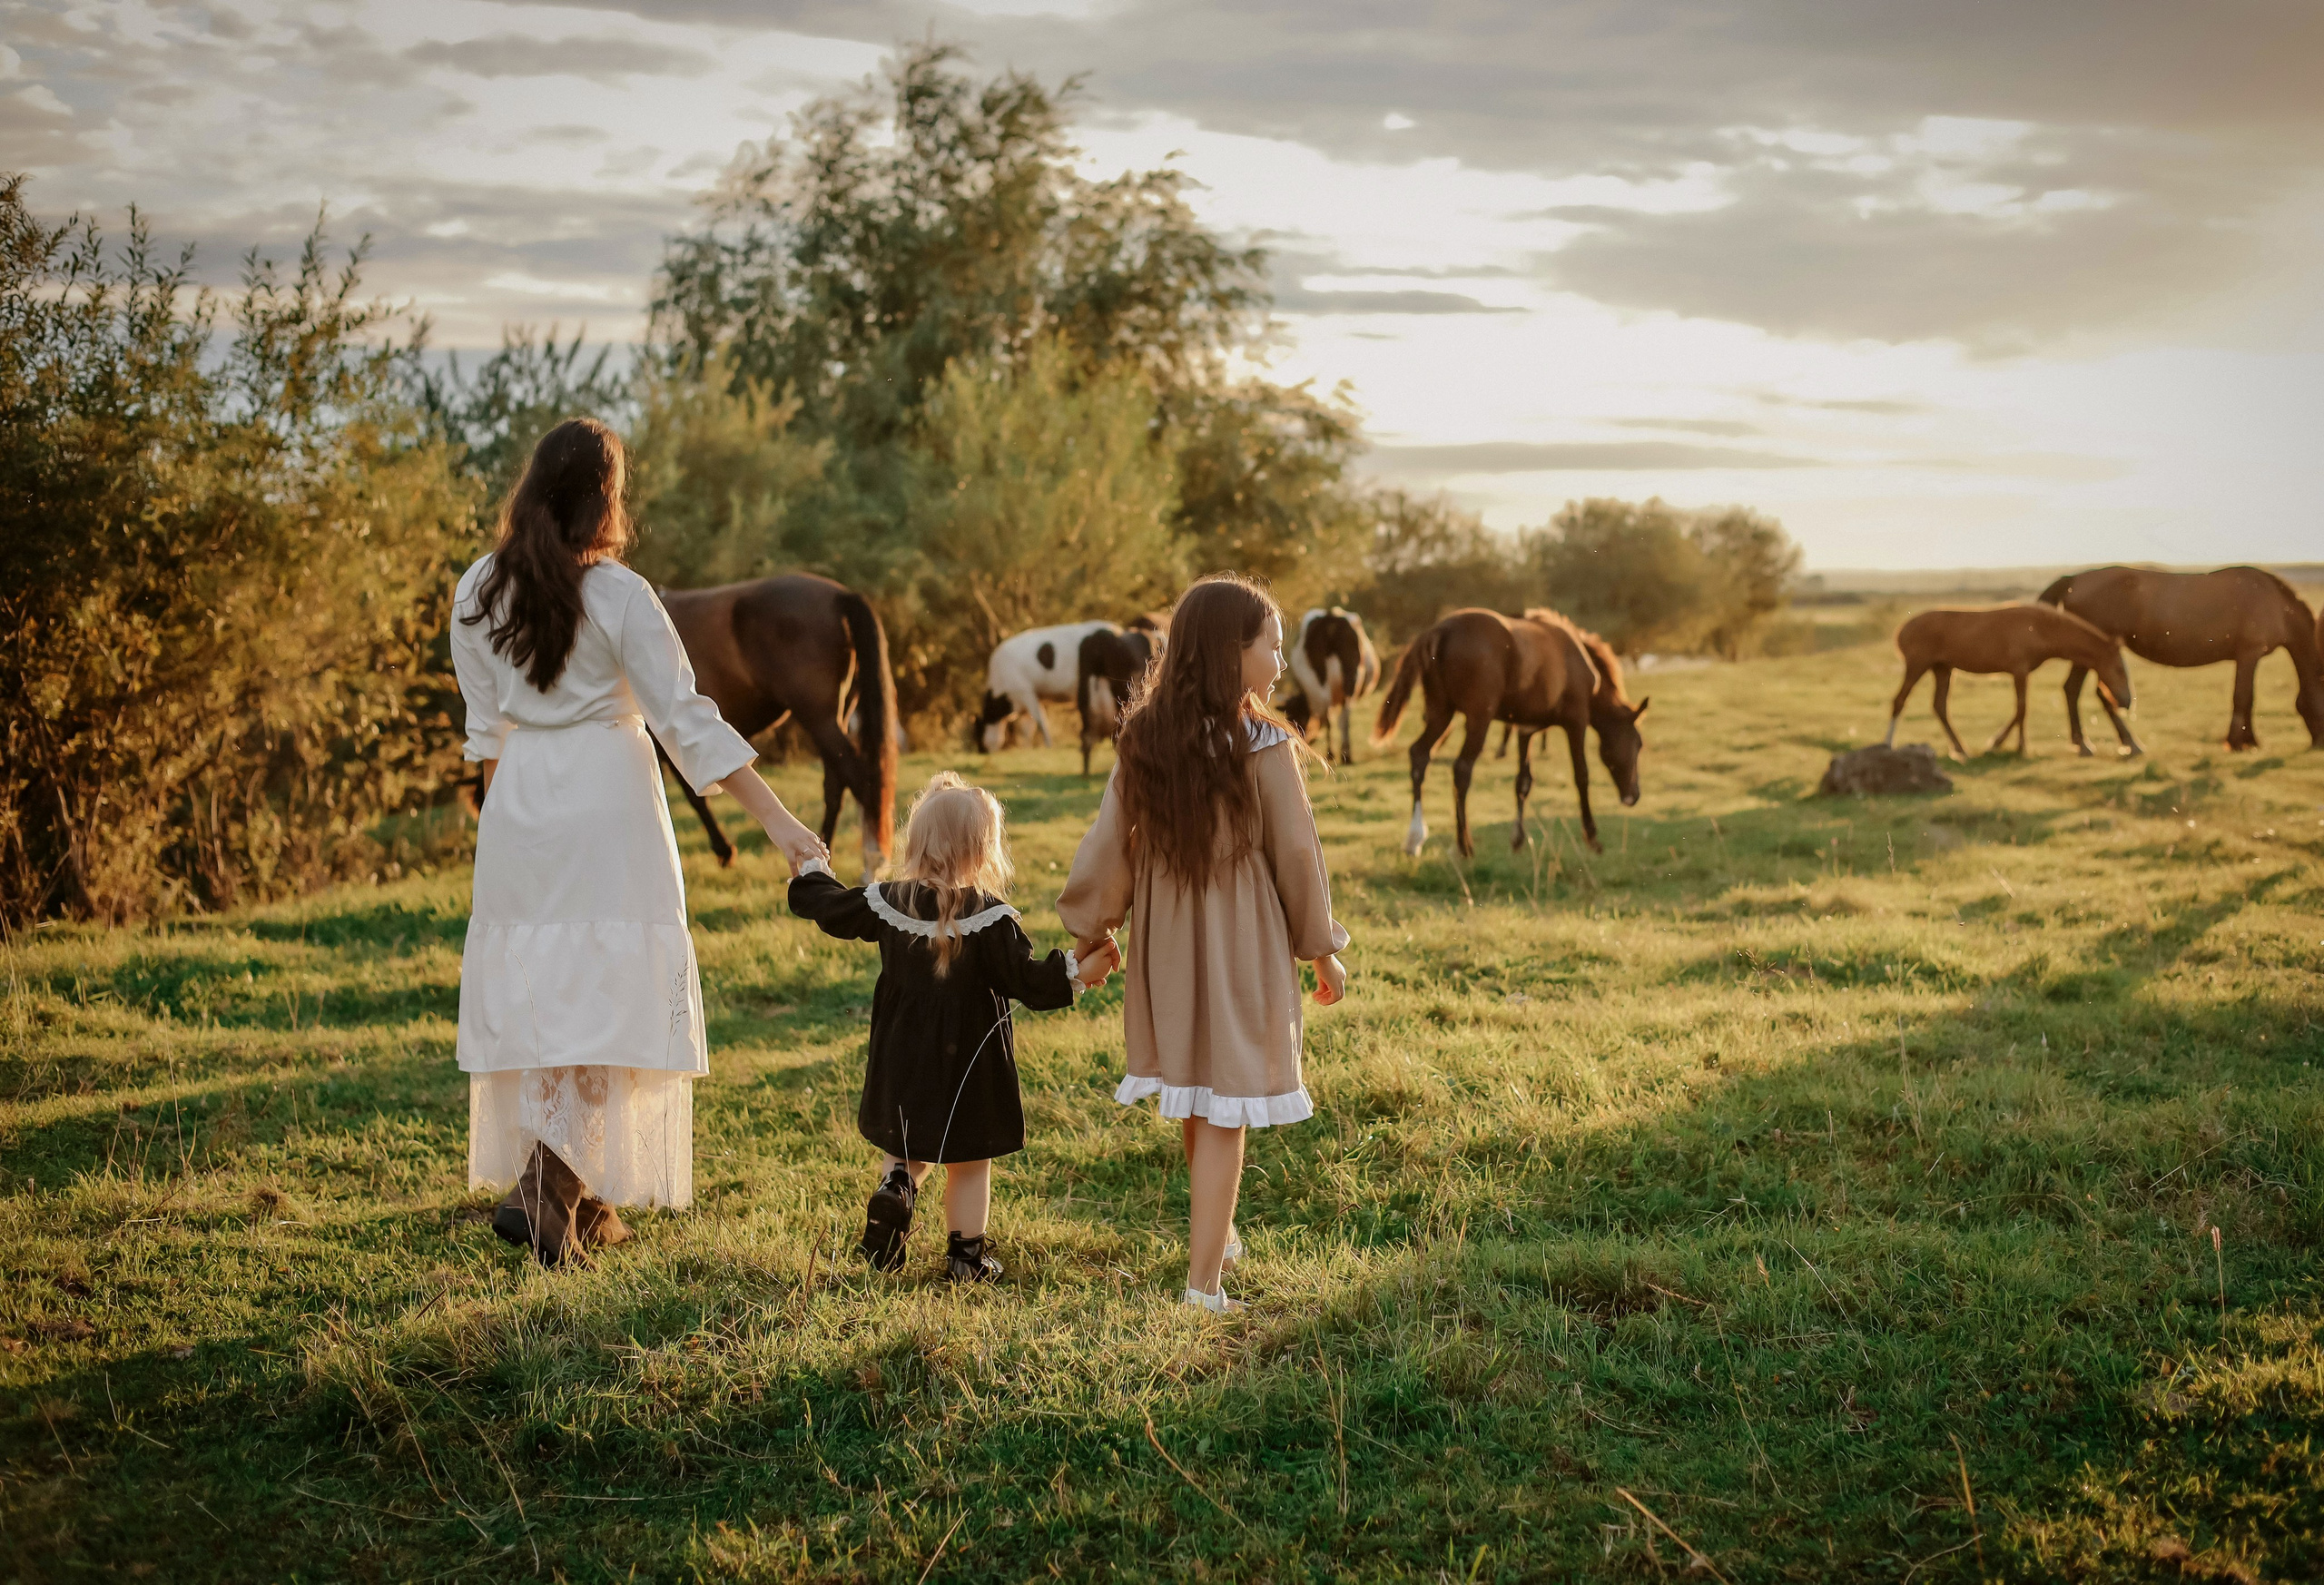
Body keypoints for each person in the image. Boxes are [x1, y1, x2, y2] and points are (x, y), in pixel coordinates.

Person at [450, 417, 828, 1265]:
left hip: (521, 805)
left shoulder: (477, 588)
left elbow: (485, 734)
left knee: (550, 993)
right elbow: (688, 724)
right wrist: (780, 822)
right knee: (607, 995)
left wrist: (497, 839)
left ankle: (574, 1196)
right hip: (607, 803)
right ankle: (547, 1193)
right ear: (605, 498)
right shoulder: (619, 593)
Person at [1058, 575, 1349, 1312]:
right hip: (1239, 936)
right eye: (1272, 649)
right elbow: (1295, 854)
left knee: (1200, 1091)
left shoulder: (1143, 738)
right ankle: (1204, 1286)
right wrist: (1321, 945)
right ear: (1231, 654)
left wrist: (1098, 926)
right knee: (1229, 1105)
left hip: (1168, 940)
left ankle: (1218, 1234)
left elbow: (1105, 847)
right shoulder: (1263, 744)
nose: (1281, 665)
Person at [789, 773, 1119, 1282]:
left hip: (902, 1057)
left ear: (917, 842)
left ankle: (896, 1191)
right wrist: (1079, 970)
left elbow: (830, 908)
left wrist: (810, 868)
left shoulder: (886, 901)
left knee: (905, 1146)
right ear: (982, 850)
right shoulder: (990, 919)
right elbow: (1029, 983)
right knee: (968, 1162)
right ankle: (966, 1260)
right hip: (970, 1065)